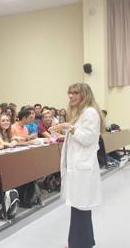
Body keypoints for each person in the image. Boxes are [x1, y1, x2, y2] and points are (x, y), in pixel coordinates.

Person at [48, 83, 102, 248]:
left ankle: (78, 244)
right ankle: (82, 241)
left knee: (80, 207)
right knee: (79, 207)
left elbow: (88, 139)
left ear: (85, 94)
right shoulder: (82, 113)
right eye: (69, 93)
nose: (71, 96)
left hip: (83, 167)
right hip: (78, 166)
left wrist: (68, 127)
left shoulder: (90, 113)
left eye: (75, 93)